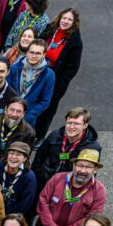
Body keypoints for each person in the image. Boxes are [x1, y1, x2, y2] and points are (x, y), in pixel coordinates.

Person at [35, 148, 107, 226]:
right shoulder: (57, 179)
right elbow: (43, 202)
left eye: (88, 167)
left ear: (95, 170)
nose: (83, 170)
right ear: (73, 165)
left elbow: (92, 218)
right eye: (80, 165)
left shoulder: (99, 190)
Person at [36, 8, 83, 138]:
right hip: (36, 74)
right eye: (64, 18)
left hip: (54, 82)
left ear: (74, 23)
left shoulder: (75, 41)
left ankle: (39, 136)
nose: (65, 21)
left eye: (69, 19)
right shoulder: (50, 29)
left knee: (47, 110)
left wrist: (59, 86)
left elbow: (72, 68)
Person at [6, 39, 55, 127]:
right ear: (27, 53)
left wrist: (29, 116)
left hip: (27, 119)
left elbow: (45, 101)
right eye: (31, 52)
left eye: (38, 53)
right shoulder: (14, 68)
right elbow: (6, 90)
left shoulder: (48, 75)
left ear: (44, 55)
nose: (34, 55)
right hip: (8, 114)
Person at [0, 98, 36, 171]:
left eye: (19, 111)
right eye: (12, 110)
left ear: (23, 114)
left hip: (7, 170)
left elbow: (25, 158)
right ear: (6, 109)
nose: (14, 114)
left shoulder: (28, 133)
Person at [0, 142, 37, 217]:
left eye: (18, 154)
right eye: (11, 153)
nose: (14, 157)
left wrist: (6, 216)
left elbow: (24, 204)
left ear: (24, 158)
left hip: (13, 216)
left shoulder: (29, 177)